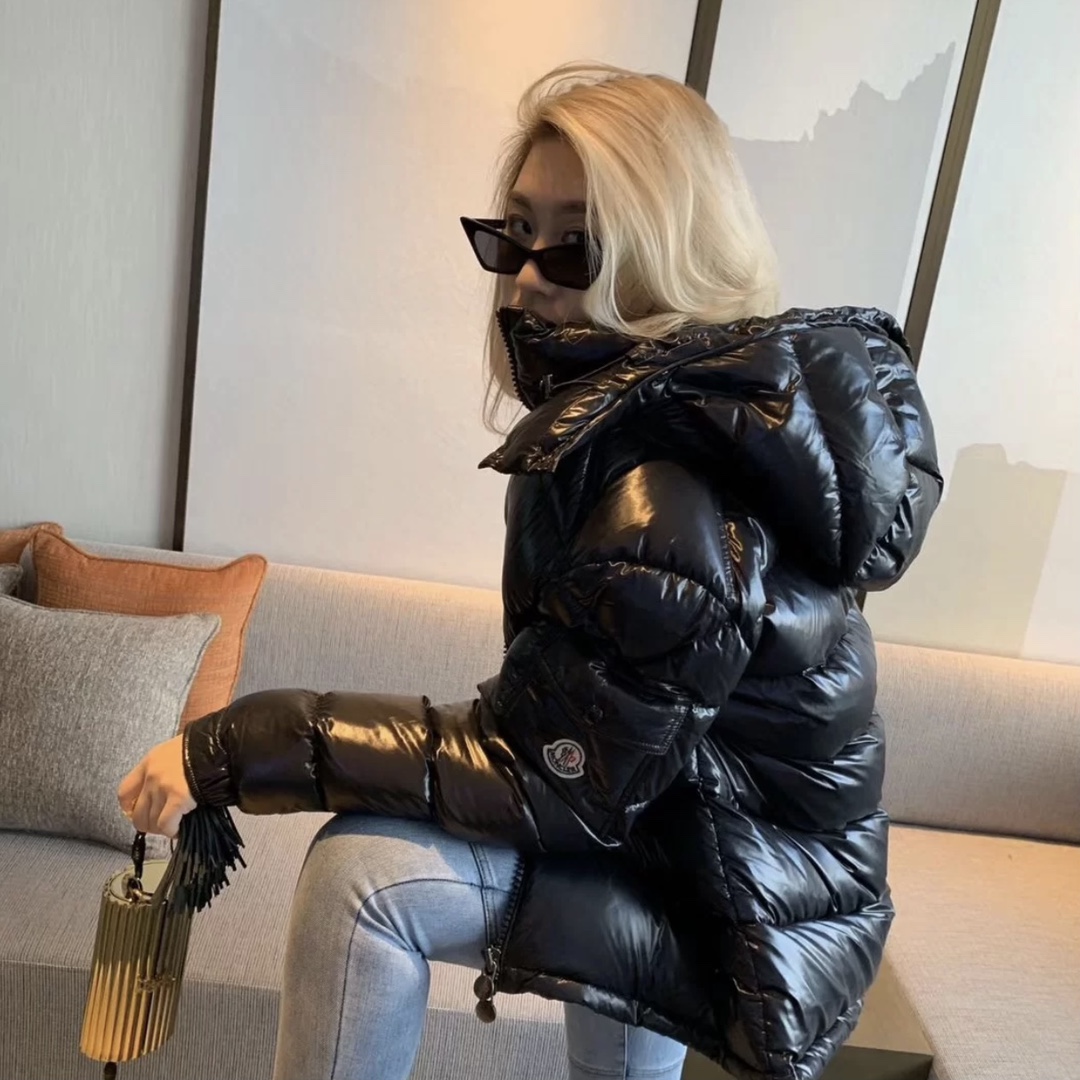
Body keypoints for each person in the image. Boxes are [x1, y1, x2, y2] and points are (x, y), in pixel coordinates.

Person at [118, 62, 941, 1080]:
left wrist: (230, 748)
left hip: (738, 918)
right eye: (514, 233)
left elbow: (557, 781)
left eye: (575, 246)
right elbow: (586, 741)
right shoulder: (666, 424)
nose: (525, 278)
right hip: (680, 843)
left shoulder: (665, 484)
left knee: (361, 879)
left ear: (666, 258)